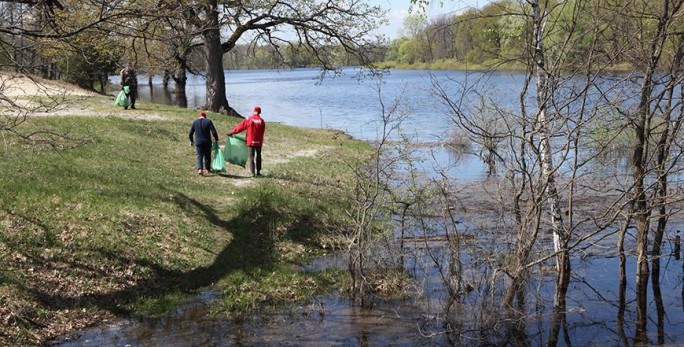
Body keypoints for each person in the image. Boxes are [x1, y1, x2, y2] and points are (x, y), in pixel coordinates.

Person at [229, 106, 266, 177]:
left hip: (251, 141)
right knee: (258, 156)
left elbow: (240, 127)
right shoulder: (262, 121)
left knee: (251, 156)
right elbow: (262, 132)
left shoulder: (249, 119)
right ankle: (258, 172)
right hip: (259, 142)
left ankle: (252, 173)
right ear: (260, 112)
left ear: (254, 111)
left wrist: (232, 132)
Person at [189, 110, 219, 175]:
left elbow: (190, 133)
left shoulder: (195, 122)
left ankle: (200, 169)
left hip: (198, 142)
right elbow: (214, 132)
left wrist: (191, 141)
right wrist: (216, 139)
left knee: (199, 156)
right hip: (207, 142)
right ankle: (207, 169)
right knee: (207, 156)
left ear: (199, 116)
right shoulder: (208, 121)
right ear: (205, 117)